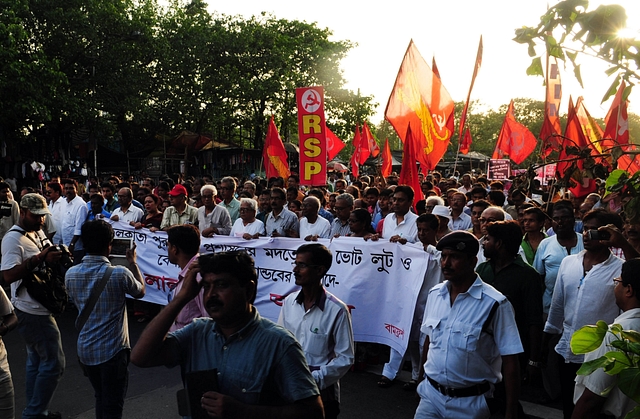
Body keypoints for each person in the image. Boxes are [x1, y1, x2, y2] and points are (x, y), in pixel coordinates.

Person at [130, 251, 324, 419]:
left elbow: (313, 413)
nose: (211, 295)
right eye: (206, 286)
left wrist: (244, 412)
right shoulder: (197, 331)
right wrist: (182, 298)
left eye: (221, 285)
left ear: (248, 290)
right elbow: (140, 357)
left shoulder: (279, 344)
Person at [414, 231, 523, 419]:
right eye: (444, 256)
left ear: (473, 262)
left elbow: (510, 360)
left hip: (471, 403)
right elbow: (429, 341)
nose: (446, 263)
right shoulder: (435, 294)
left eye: (454, 257)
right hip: (431, 397)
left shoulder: (495, 303)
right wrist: (421, 380)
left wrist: (510, 411)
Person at [542, 209, 625, 419]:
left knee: (592, 408)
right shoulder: (569, 263)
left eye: (596, 230)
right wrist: (549, 334)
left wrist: (623, 243)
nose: (588, 234)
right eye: (586, 229)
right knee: (569, 405)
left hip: (601, 354)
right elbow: (558, 304)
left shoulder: (621, 269)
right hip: (567, 349)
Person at [65, 220, 145, 419]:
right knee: (112, 404)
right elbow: (140, 292)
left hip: (86, 350)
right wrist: (133, 263)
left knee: (100, 396)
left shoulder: (71, 274)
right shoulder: (119, 273)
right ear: (109, 245)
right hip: (113, 352)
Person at [1, 194, 64, 419]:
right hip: (30, 310)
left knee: (37, 361)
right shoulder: (12, 239)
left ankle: (37, 411)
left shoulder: (36, 232)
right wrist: (38, 259)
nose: (41, 221)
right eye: (36, 216)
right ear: (23, 212)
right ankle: (34, 413)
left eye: (43, 216)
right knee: (55, 363)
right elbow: (7, 276)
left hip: (38, 306)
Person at [278, 243, 355, 419]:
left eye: (302, 265)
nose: (295, 270)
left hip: (322, 395)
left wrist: (314, 379)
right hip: (288, 388)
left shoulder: (337, 310)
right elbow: (280, 342)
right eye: (295, 264)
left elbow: (345, 358)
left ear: (320, 270)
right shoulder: (289, 302)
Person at [572, 258, 640, 419]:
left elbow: (592, 398)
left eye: (618, 282)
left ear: (628, 290)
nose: (615, 286)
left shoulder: (617, 334)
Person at [61, 178, 89, 262]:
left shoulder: (81, 205)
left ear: (76, 190)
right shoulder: (64, 203)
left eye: (71, 188)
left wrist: (72, 244)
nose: (68, 191)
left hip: (76, 247)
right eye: (66, 188)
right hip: (65, 245)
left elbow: (79, 228)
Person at [0, 182, 20, 260]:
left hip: (8, 239)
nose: (6, 194)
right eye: (3, 192)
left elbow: (17, 222)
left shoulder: (13, 204)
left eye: (7, 191)